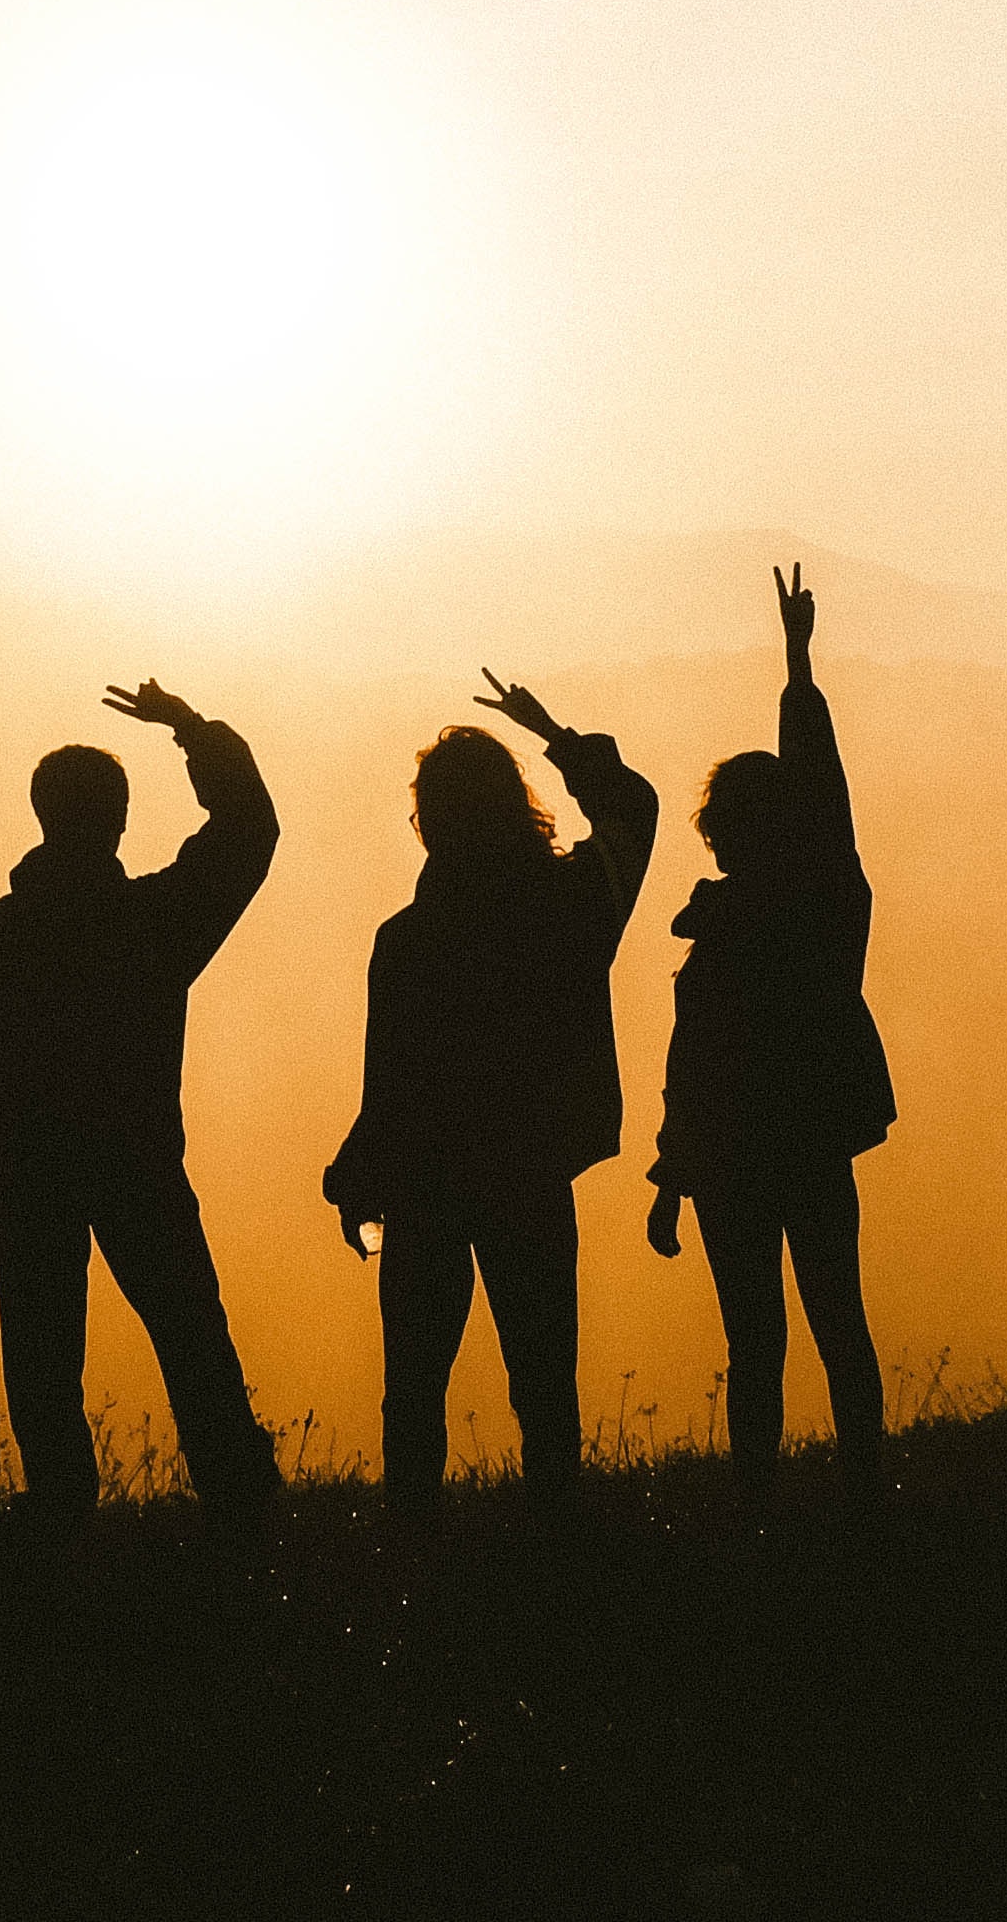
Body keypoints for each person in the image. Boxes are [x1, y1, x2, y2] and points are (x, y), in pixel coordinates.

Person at [0, 678, 285, 1536]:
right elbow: (250, 831)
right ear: (121, 818)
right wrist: (190, 729)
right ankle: (238, 1493)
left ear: (41, 815)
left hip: (28, 1161)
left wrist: (21, 1117)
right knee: (189, 1329)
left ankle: (60, 1507)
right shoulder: (153, 921)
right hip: (138, 1159)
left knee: (41, 1347)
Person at [322, 672, 657, 1520]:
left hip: (426, 1187)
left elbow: (388, 1083)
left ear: (428, 823)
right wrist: (553, 732)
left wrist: (356, 1182)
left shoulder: (405, 941)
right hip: (531, 1172)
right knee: (544, 1378)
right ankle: (555, 1551)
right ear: (517, 805)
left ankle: (411, 1549)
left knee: (414, 1390)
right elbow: (635, 808)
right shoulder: (575, 904)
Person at [645, 564, 895, 1504]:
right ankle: (860, 1495)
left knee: (756, 1339)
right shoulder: (828, 903)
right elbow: (825, 794)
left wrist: (675, 1174)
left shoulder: (735, 929)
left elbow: (692, 1071)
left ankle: (761, 1509)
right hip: (808, 1143)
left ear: (716, 834)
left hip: (730, 1161)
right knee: (837, 1319)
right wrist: (796, 666)